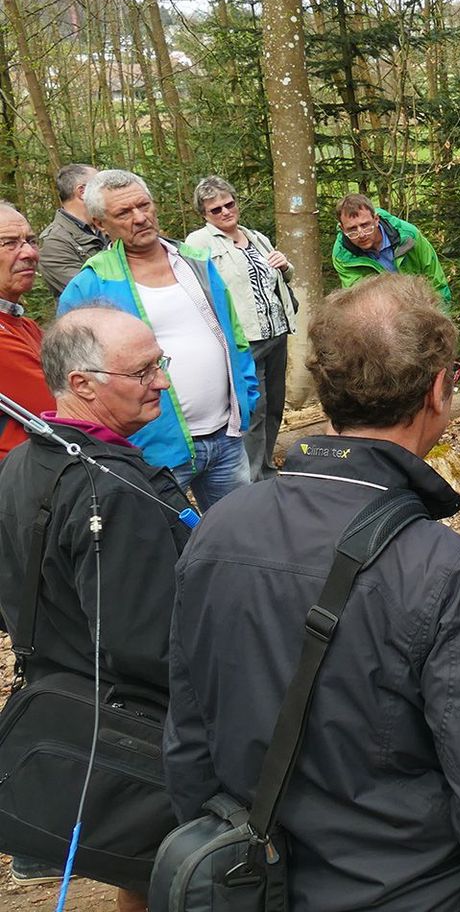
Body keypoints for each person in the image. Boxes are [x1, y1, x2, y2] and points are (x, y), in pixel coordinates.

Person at [164, 275, 460, 910]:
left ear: (326, 388)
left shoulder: (221, 525)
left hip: (256, 883)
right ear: (440, 388)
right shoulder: (444, 568)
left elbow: (188, 740)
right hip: (420, 891)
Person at [0, 306, 191, 906]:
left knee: (143, 871)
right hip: (126, 715)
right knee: (179, 868)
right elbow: (147, 643)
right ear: (81, 383)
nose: (161, 381)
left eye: (160, 364)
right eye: (144, 371)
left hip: (70, 688)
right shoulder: (105, 487)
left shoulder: (23, 460)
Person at [58, 170, 259, 510]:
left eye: (144, 205)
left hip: (225, 437)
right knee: (160, 545)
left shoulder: (194, 263)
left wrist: (247, 397)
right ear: (100, 223)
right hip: (150, 448)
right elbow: (74, 378)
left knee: (241, 537)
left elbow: (234, 336)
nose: (140, 218)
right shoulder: (91, 285)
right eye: (124, 213)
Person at [185, 176, 299, 481]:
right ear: (205, 215)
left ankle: (267, 469)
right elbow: (193, 288)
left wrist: (285, 267)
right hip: (243, 340)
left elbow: (282, 279)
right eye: (215, 209)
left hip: (276, 332)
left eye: (229, 204)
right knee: (253, 410)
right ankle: (251, 480)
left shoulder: (257, 237)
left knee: (274, 405)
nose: (225, 211)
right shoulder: (199, 243)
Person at [330, 193, 451, 306]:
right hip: (380, 313)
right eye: (352, 229)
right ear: (342, 228)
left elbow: (436, 283)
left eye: (365, 225)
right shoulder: (342, 255)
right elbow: (357, 300)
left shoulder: (409, 236)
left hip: (420, 306)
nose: (361, 234)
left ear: (376, 219)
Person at [0, 203, 49, 461]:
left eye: (30, 240)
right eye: (10, 243)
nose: (29, 252)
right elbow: (63, 408)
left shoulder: (22, 323)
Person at [36, 162, 101, 296]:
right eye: (101, 186)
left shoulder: (106, 225)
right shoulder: (53, 243)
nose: (107, 191)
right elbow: (90, 292)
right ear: (82, 192)